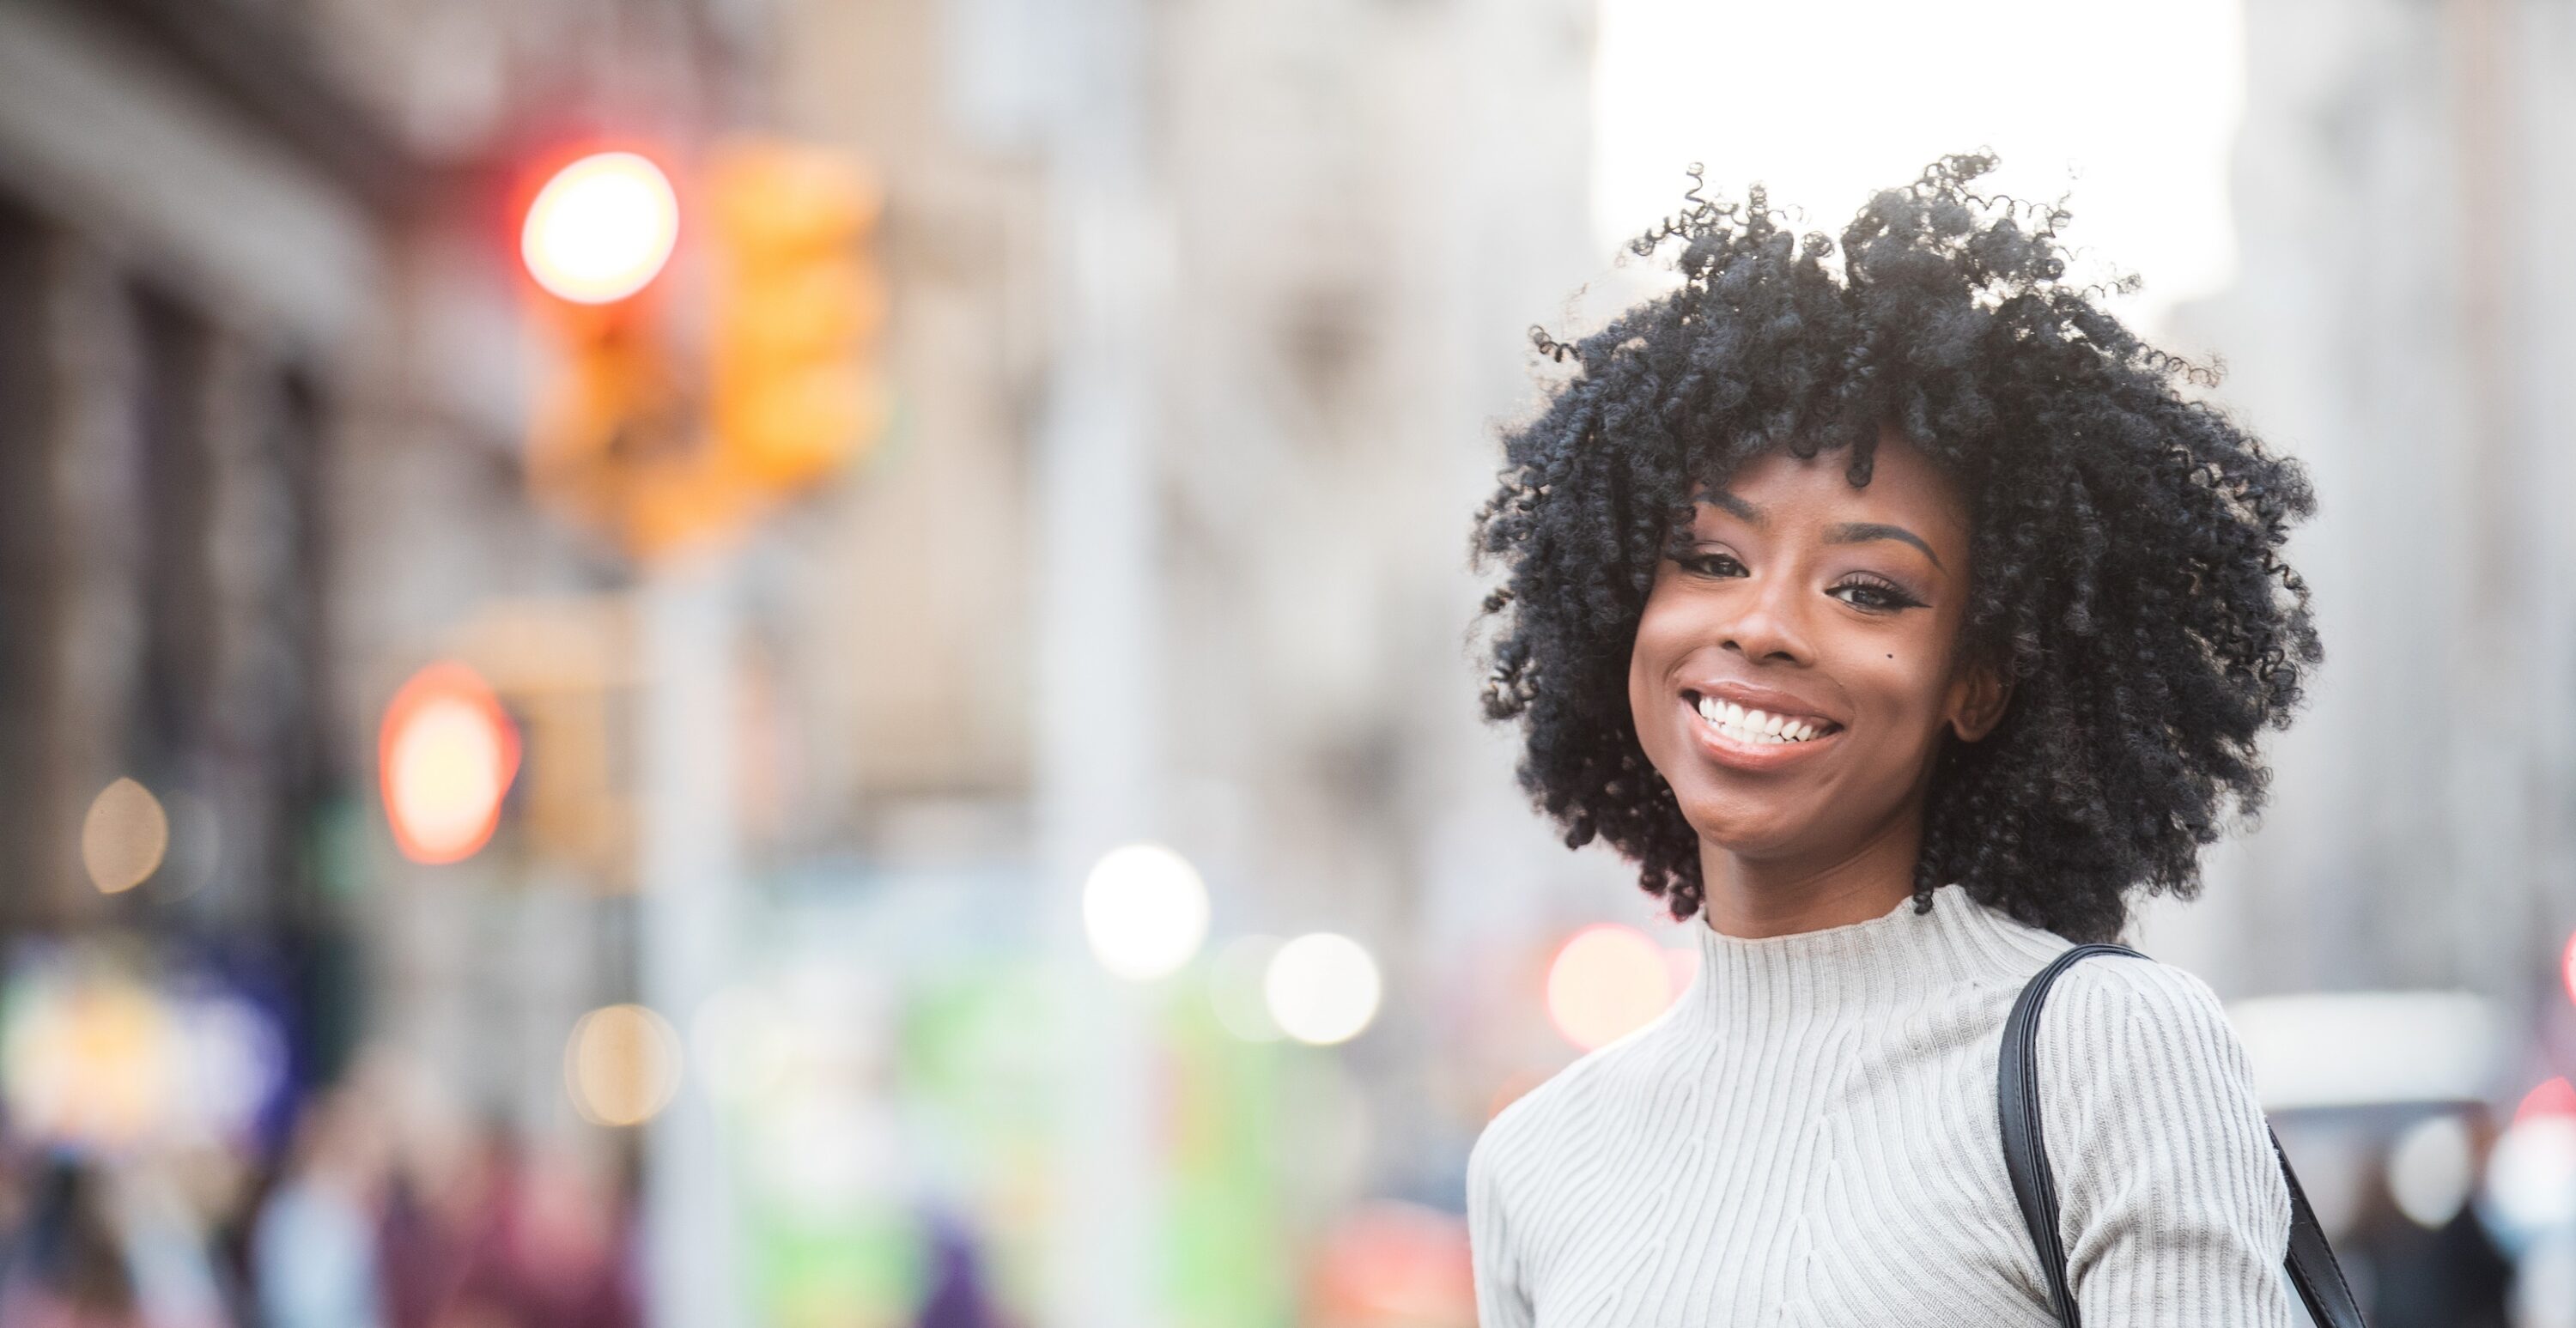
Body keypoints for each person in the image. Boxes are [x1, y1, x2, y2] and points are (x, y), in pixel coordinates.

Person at [1464, 154, 2319, 1326]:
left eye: (1867, 590)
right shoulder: (1532, 1164)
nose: (1762, 625)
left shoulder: (2105, 1051)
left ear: (1975, 682)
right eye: (1711, 560)